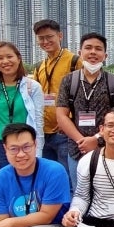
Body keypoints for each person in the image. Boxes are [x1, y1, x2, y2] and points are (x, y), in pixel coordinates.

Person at [56, 32, 114, 190]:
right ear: (80, 53)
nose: (93, 52)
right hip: (76, 150)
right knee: (79, 191)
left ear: (105, 55)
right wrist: (82, 141)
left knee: (108, 190)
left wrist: (96, 139)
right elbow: (61, 116)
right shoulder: (69, 81)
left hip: (107, 149)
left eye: (98, 49)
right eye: (88, 48)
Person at [0, 41, 44, 174]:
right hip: (0, 147)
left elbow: (38, 122)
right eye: (0, 58)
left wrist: (38, 154)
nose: (5, 61)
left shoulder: (33, 87)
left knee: (28, 186)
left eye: (9, 56)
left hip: (26, 146)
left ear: (18, 58)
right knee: (7, 187)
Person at [32, 19, 79, 172]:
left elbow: (82, 95)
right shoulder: (40, 66)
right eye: (41, 38)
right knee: (47, 175)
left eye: (49, 37)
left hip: (64, 132)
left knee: (66, 177)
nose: (45, 41)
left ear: (60, 36)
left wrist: (68, 120)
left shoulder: (74, 61)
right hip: (43, 132)